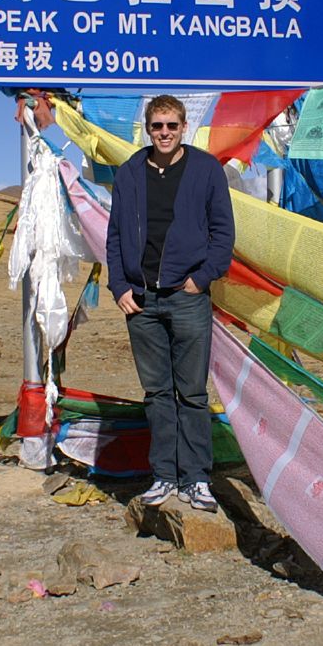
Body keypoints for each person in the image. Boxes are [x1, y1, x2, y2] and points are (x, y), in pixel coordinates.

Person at [106, 95, 235, 511]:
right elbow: (114, 237)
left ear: (184, 127)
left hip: (187, 298)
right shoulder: (128, 174)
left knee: (192, 394)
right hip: (141, 302)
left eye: (172, 126)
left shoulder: (205, 170)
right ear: (148, 128)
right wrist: (120, 286)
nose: (164, 132)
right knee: (157, 394)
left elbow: (223, 234)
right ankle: (163, 476)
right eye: (157, 125)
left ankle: (196, 479)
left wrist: (201, 280)